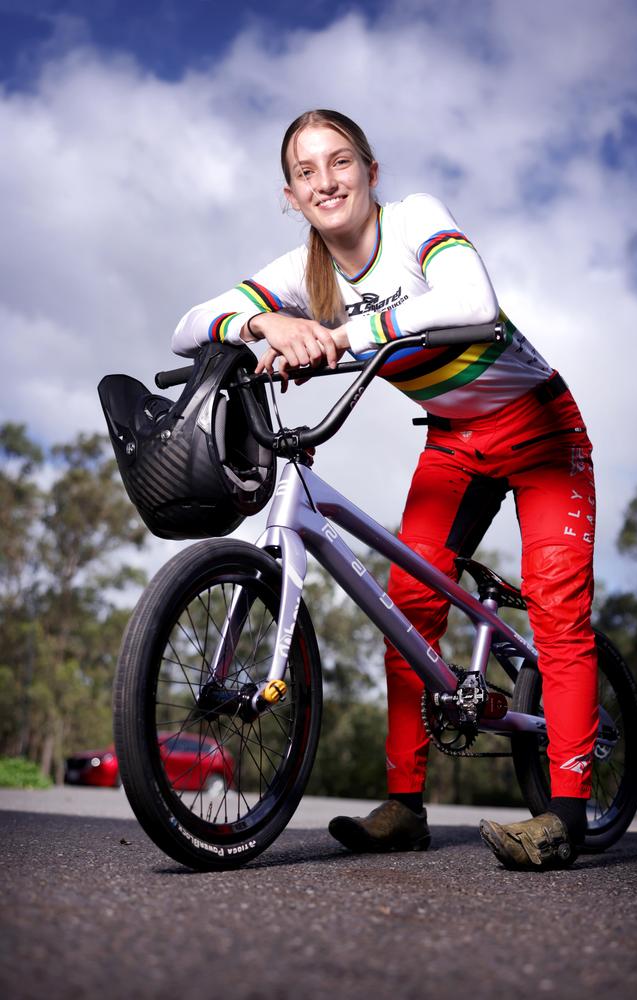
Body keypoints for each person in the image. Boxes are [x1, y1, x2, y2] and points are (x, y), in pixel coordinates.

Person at [173, 109, 599, 870]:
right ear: (290, 196)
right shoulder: (303, 275)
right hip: (453, 442)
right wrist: (262, 326)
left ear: (372, 171)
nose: (326, 181)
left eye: (341, 162)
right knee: (409, 606)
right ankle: (404, 807)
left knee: (558, 608)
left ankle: (563, 814)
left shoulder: (414, 222)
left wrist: (346, 334)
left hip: (540, 429)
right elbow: (188, 325)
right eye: (307, 173)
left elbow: (474, 303)